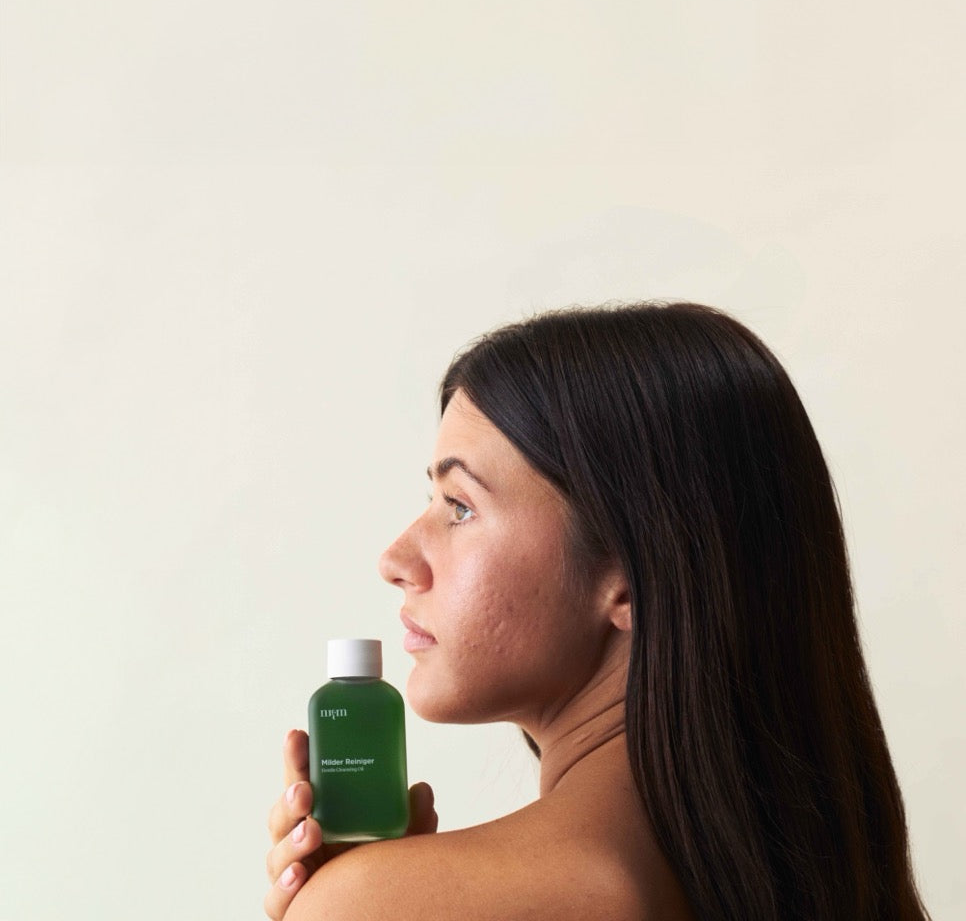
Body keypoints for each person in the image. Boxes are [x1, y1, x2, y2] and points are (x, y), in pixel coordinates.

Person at [264, 301, 931, 920]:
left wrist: (354, 898)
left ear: (631, 578)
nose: (397, 558)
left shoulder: (386, 904)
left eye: (460, 506)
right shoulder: (826, 881)